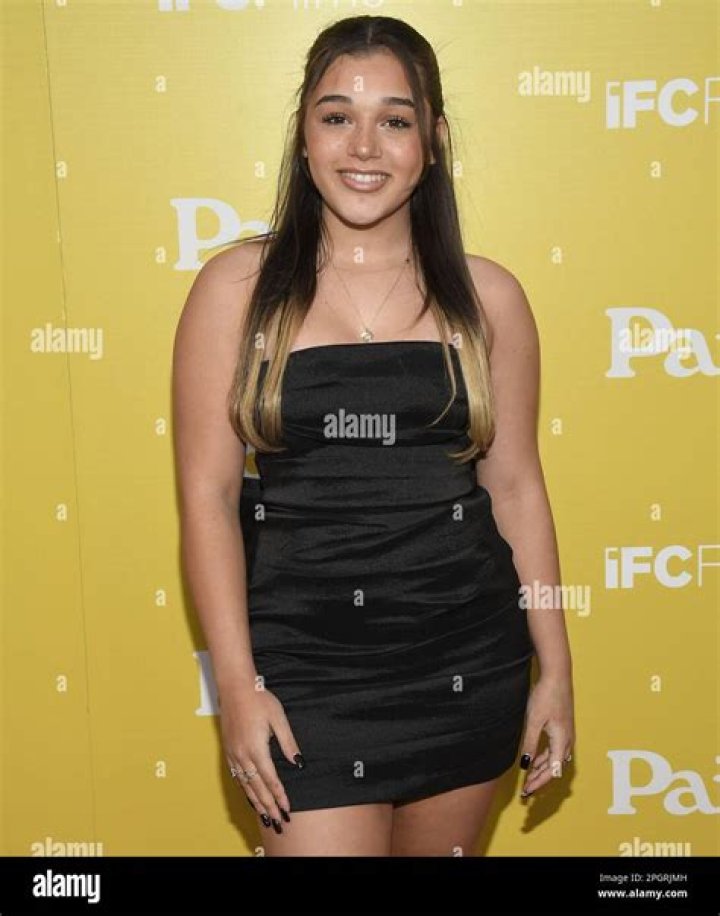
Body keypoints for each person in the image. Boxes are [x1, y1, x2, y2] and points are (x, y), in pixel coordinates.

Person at [172, 14, 575, 857]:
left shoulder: (489, 299)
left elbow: (515, 488)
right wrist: (238, 689)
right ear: (303, 135)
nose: (363, 147)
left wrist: (556, 670)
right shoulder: (236, 290)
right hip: (303, 668)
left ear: (434, 141)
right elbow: (208, 498)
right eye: (336, 116)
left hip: (465, 662)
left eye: (394, 120)